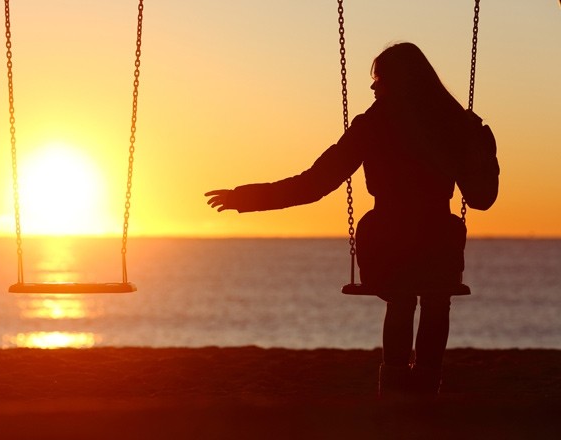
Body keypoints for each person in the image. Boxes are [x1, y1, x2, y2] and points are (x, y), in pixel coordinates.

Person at [205, 42, 497, 399]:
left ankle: (394, 392)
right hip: (438, 241)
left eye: (379, 80)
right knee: (436, 299)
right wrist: (483, 147)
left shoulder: (373, 125)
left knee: (403, 298)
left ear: (398, 82)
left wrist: (247, 198)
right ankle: (425, 388)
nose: (373, 88)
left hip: (389, 241)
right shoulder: (454, 124)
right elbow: (482, 199)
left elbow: (314, 184)